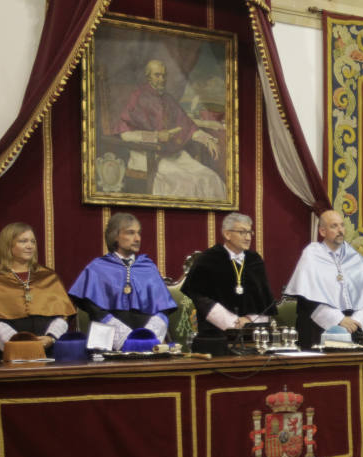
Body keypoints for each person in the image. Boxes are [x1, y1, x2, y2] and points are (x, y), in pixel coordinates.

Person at [115, 59, 226, 200]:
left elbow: (187, 125)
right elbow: (126, 135)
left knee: (211, 178)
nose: (161, 79)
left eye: (164, 75)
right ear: (148, 76)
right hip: (147, 155)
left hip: (173, 154)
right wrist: (155, 137)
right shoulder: (137, 97)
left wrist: (206, 139)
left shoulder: (168, 99)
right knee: (188, 183)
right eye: (157, 75)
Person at [69, 212, 176, 350]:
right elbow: (93, 307)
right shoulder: (97, 268)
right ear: (115, 236)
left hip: (147, 342)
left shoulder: (148, 267)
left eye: (138, 233)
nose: (137, 238)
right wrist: (123, 336)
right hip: (108, 343)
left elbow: (163, 307)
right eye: (130, 233)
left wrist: (149, 334)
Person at [284, 210, 363, 348]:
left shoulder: (354, 256)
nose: (340, 230)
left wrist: (356, 321)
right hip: (319, 329)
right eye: (334, 226)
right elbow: (308, 299)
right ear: (322, 231)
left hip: (354, 328)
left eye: (342, 225)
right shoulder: (312, 254)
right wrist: (339, 320)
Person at [0, 223, 75, 360]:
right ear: (8, 245)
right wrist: (16, 344)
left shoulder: (49, 277)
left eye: (32, 241)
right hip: (6, 355)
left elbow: (64, 314)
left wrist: (50, 338)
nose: (30, 246)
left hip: (48, 352)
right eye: (23, 241)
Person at [180, 213, 275, 348]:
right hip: (216, 335)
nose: (248, 237)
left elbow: (263, 299)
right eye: (242, 232)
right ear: (227, 234)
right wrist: (232, 323)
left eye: (250, 232)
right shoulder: (208, 259)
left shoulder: (255, 260)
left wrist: (248, 322)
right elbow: (200, 297)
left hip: (252, 334)